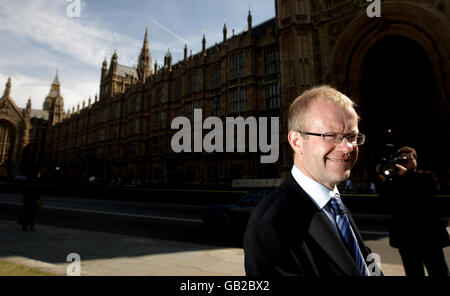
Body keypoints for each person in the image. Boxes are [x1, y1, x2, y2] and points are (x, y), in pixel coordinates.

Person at [244, 85, 378, 276]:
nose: (347, 147)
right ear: (297, 141)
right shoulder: (270, 227)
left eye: (352, 136)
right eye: (331, 136)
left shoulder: (334, 204)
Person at [380, 146, 449, 277]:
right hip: (406, 238)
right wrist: (383, 178)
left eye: (410, 159)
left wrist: (406, 174)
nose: (407, 162)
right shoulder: (395, 181)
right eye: (403, 160)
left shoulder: (426, 176)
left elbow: (430, 189)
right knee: (413, 272)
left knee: (439, 271)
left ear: (416, 160)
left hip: (429, 236)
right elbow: (385, 201)